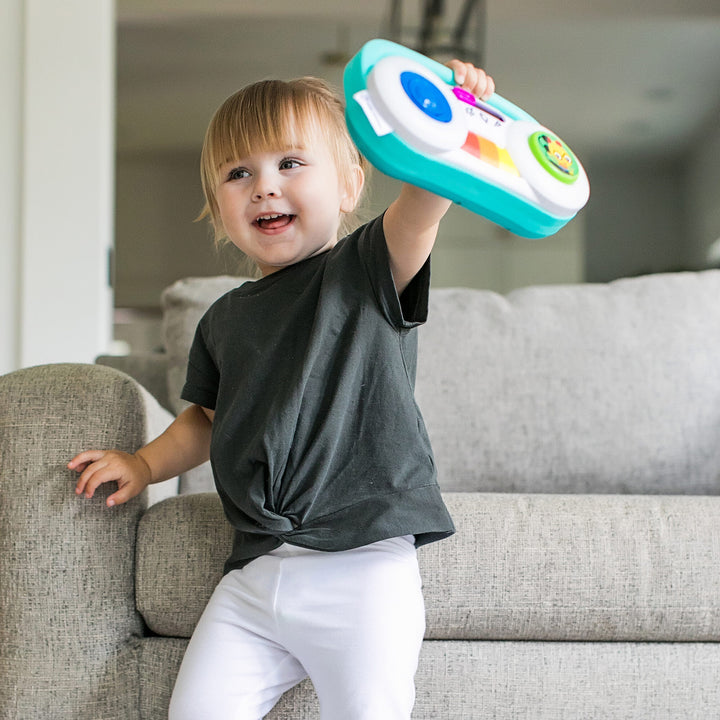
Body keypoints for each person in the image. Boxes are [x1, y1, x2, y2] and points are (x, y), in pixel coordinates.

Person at [69, 57, 494, 720]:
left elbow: (421, 209)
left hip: (362, 564)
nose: (264, 186)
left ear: (352, 182)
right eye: (239, 174)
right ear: (219, 209)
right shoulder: (225, 317)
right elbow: (205, 420)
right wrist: (144, 462)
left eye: (291, 164)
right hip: (258, 571)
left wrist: (449, 119)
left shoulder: (366, 270)